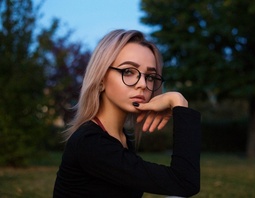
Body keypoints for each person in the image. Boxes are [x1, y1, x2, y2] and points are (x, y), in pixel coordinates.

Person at [53, 29, 201, 198]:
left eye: (151, 76)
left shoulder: (121, 137)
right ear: (101, 80)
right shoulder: (91, 143)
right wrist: (179, 103)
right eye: (128, 72)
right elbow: (184, 182)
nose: (143, 84)